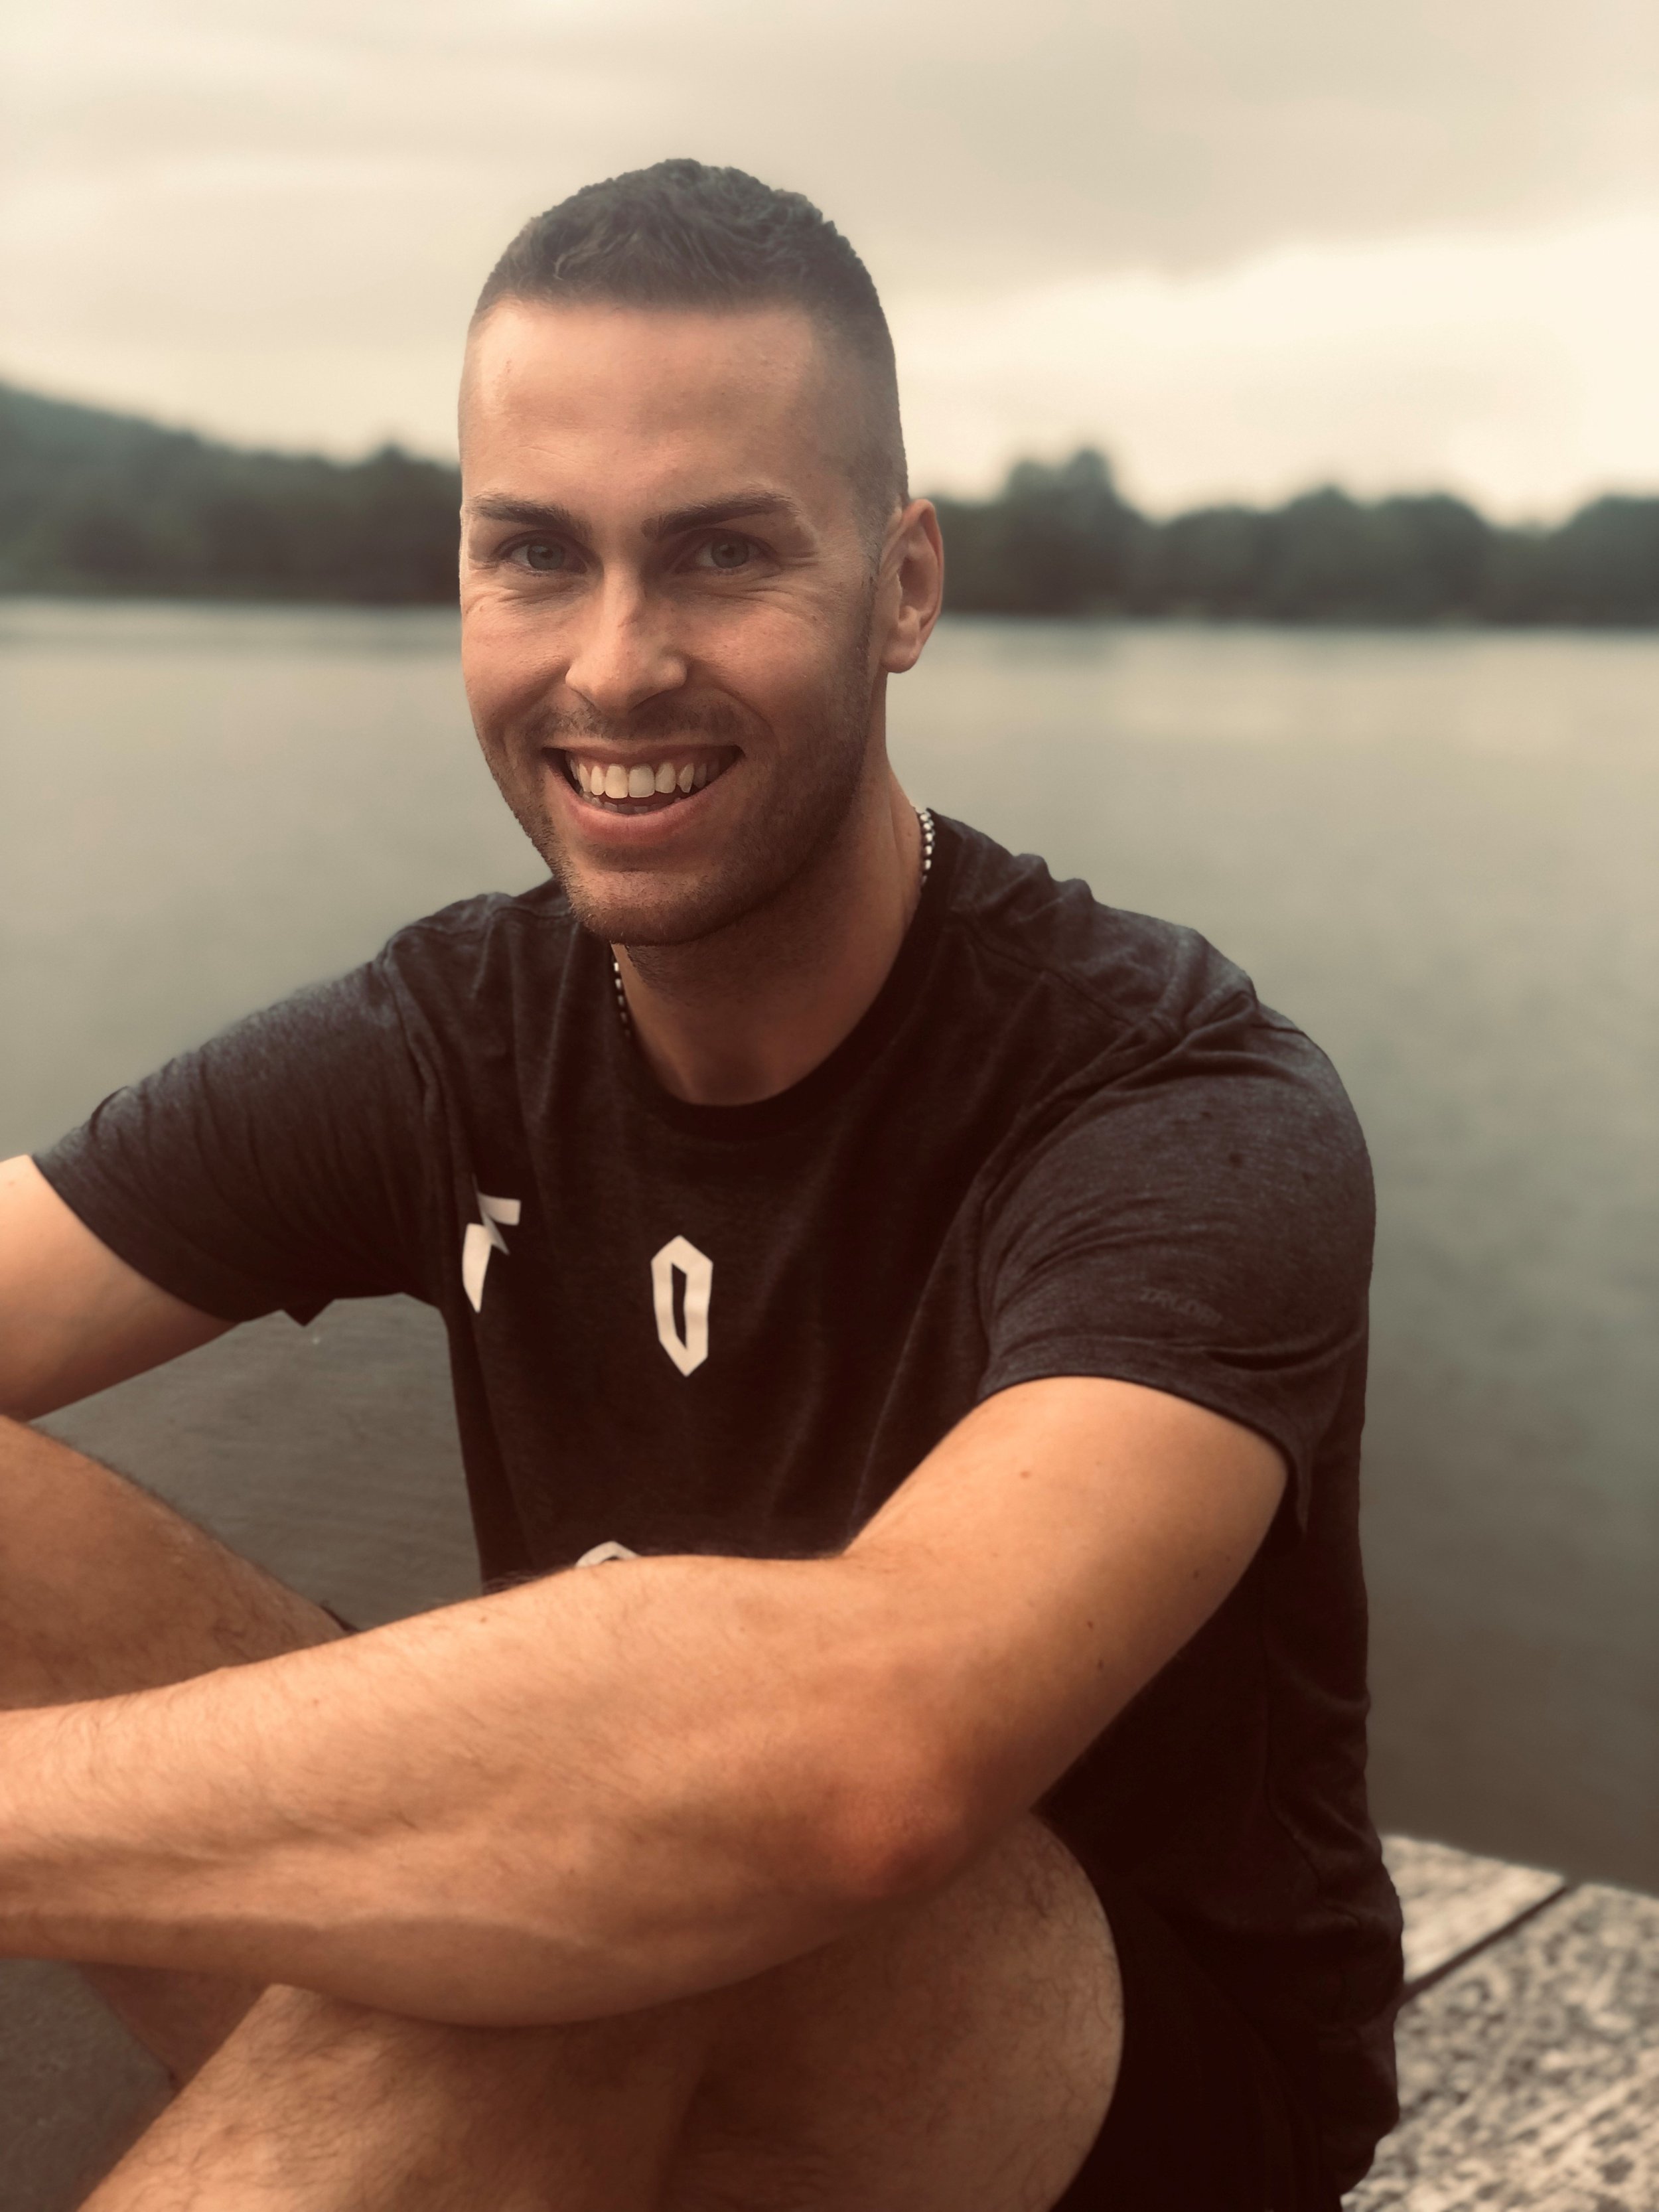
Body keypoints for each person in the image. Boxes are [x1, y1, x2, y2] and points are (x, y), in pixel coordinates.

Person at [0, 160, 1401, 2210]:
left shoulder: (1175, 1103)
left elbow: (859, 1757)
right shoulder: (448, 1037)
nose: (614, 664)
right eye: (536, 559)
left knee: (659, 1853)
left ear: (903, 583)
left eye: (721, 555)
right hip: (614, 1971)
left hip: (1117, 2122)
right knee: (558, 1859)